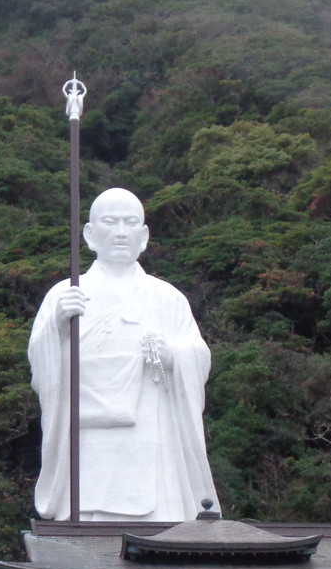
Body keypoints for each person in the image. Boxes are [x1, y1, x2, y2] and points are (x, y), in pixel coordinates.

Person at [29, 187, 219, 521]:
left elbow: (198, 356)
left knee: (159, 523)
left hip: (150, 433)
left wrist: (173, 354)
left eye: (130, 222)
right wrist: (58, 325)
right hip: (89, 437)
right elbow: (40, 369)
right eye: (110, 222)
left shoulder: (167, 298)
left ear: (144, 236)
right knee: (87, 521)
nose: (120, 231)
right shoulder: (65, 295)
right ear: (89, 234)